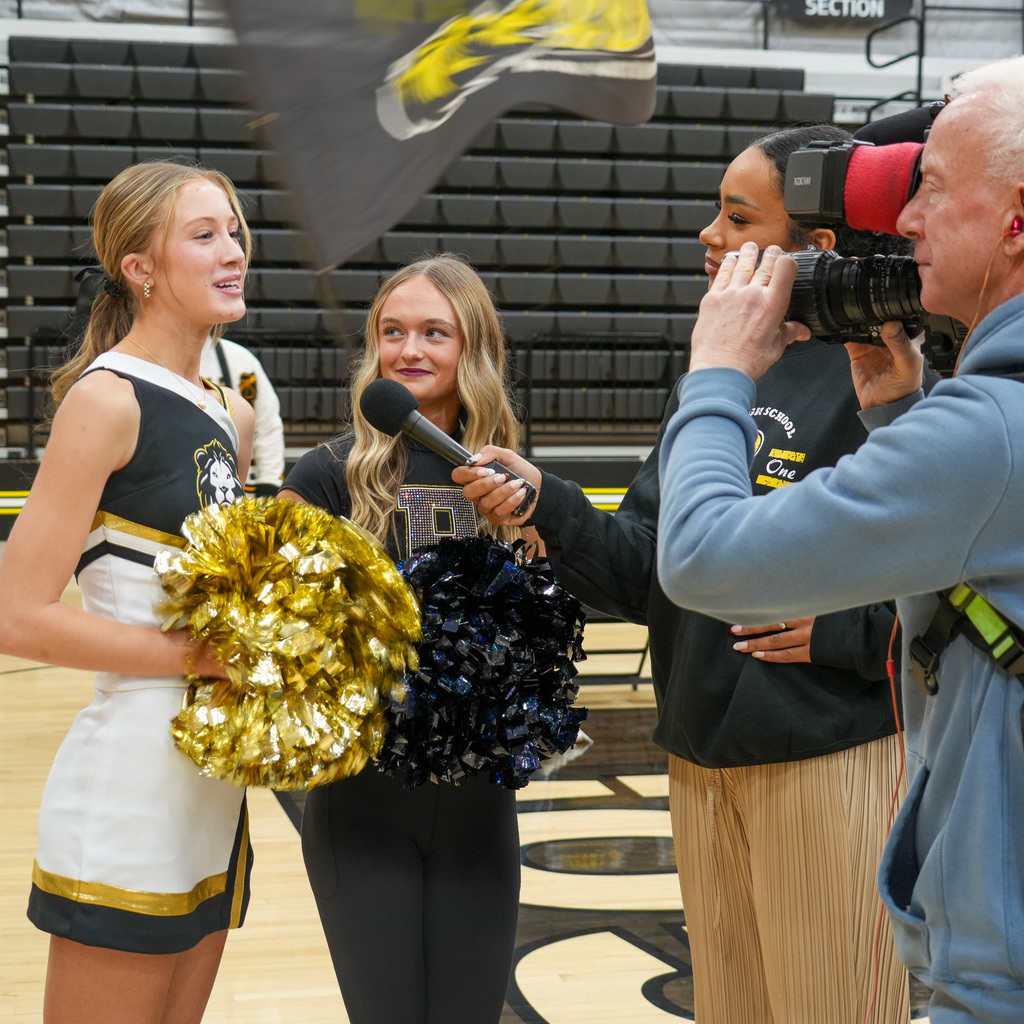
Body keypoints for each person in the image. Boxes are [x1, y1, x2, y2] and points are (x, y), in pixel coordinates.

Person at [455, 125, 924, 1024]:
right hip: (700, 754)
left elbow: (953, 566)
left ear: (817, 246)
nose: (709, 235)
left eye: (738, 218)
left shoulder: (890, 371)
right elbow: (652, 568)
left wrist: (850, 631)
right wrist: (547, 503)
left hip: (829, 755)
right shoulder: (719, 367)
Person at [648, 58, 1024, 1024]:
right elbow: (976, 585)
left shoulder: (993, 427)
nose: (904, 221)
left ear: (1017, 220)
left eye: (930, 188)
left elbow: (701, 559)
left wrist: (717, 373)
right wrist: (899, 414)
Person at [0, 160, 255, 1024]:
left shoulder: (229, 412)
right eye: (204, 234)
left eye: (234, 231)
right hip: (132, 780)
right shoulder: (106, 401)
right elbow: (16, 616)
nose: (233, 251)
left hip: (214, 778)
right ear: (140, 268)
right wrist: (197, 657)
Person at [278, 254, 526, 1024]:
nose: (408, 349)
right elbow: (274, 627)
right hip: (362, 805)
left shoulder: (508, 478)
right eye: (392, 332)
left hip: (479, 808)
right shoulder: (324, 476)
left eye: (433, 333)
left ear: (473, 349)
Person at [200, 334, 285, 497]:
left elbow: (267, 426)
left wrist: (269, 482)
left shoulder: (240, 359)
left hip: (242, 489)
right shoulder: (151, 361)